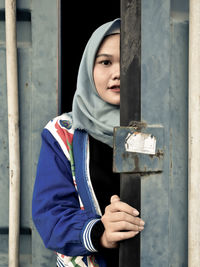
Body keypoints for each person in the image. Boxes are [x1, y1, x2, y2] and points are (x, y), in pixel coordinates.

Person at [32, 18, 145, 267]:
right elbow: (50, 214)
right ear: (88, 68)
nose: (117, 73)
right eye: (105, 62)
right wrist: (101, 232)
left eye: (127, 61)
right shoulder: (63, 134)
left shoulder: (169, 129)